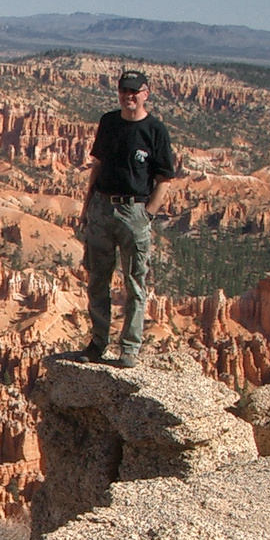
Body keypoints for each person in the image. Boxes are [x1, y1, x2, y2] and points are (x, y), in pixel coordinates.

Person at [77, 69, 177, 368]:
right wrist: (87, 207)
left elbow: (164, 179)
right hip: (102, 208)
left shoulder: (155, 130)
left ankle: (130, 348)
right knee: (97, 279)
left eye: (135, 91)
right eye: (124, 90)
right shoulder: (108, 122)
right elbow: (98, 165)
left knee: (135, 283)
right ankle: (97, 344)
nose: (129, 96)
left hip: (134, 211)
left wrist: (147, 216)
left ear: (146, 93)